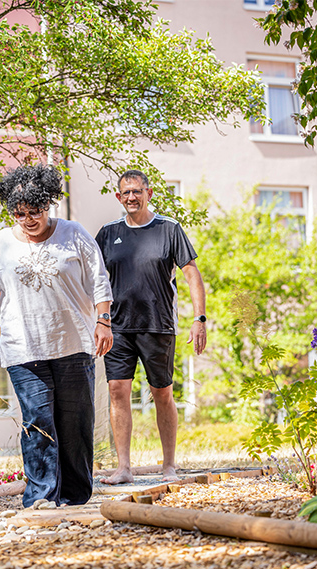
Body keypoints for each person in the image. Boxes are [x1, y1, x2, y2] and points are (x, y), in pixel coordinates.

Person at [0, 164, 114, 507]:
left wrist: (103, 321)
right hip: (23, 347)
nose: (28, 219)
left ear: (48, 204)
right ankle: (41, 497)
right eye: (19, 214)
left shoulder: (73, 233)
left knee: (76, 421)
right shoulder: (2, 242)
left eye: (34, 212)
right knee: (37, 421)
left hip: (73, 342)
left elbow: (98, 280)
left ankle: (76, 495)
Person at [95, 169, 207, 484]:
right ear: (118, 197)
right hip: (117, 327)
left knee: (162, 392)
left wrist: (199, 318)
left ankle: (169, 465)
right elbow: (92, 279)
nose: (131, 197)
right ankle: (124, 468)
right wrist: (98, 320)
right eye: (125, 193)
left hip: (158, 325)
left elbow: (191, 273)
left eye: (137, 191)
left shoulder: (168, 229)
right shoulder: (107, 233)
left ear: (149, 193)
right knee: (117, 390)